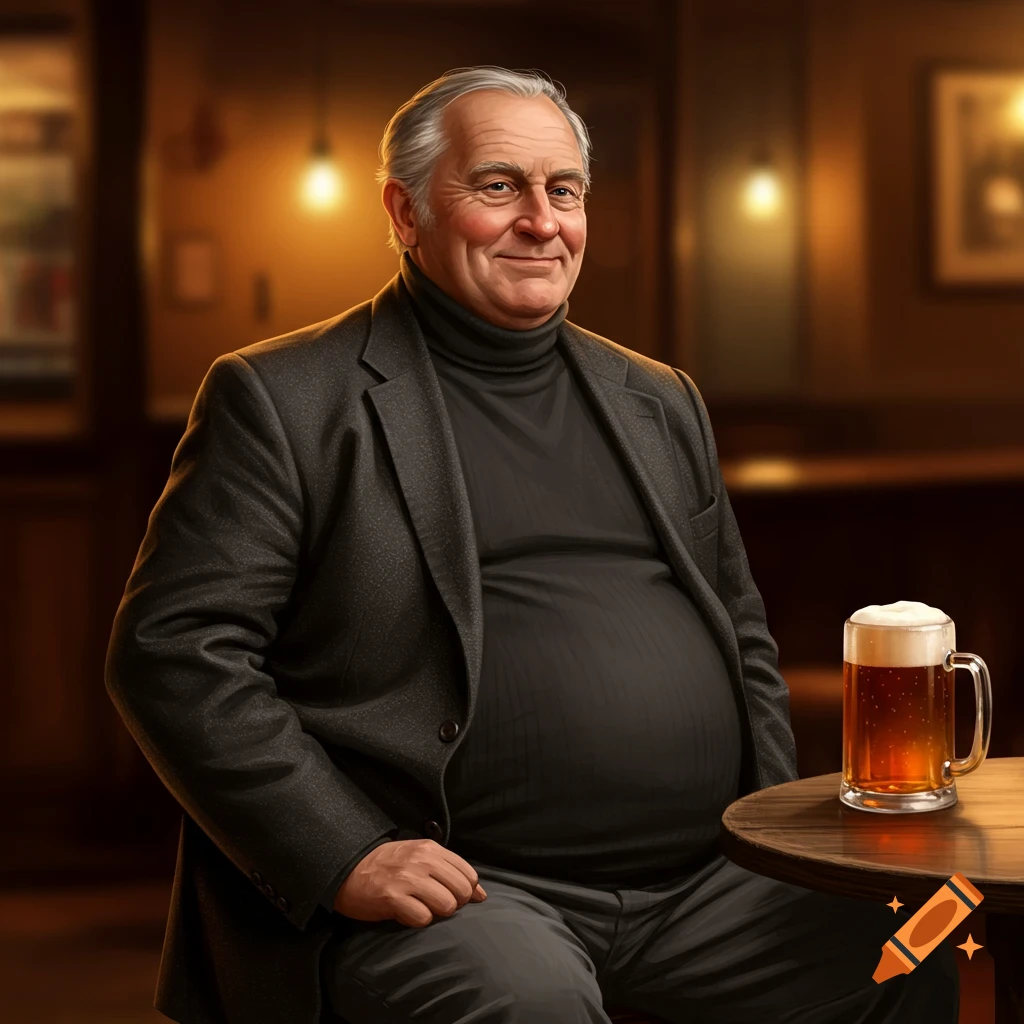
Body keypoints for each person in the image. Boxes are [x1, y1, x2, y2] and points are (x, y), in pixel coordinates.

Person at [105, 66, 959, 1024]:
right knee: (526, 1003)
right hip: (470, 893)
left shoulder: (659, 398)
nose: (542, 221)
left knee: (921, 938)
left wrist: (770, 833)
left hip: (706, 885)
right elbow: (173, 653)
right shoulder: (284, 398)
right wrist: (344, 852)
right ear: (406, 212)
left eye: (565, 191)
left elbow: (740, 632)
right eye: (499, 185)